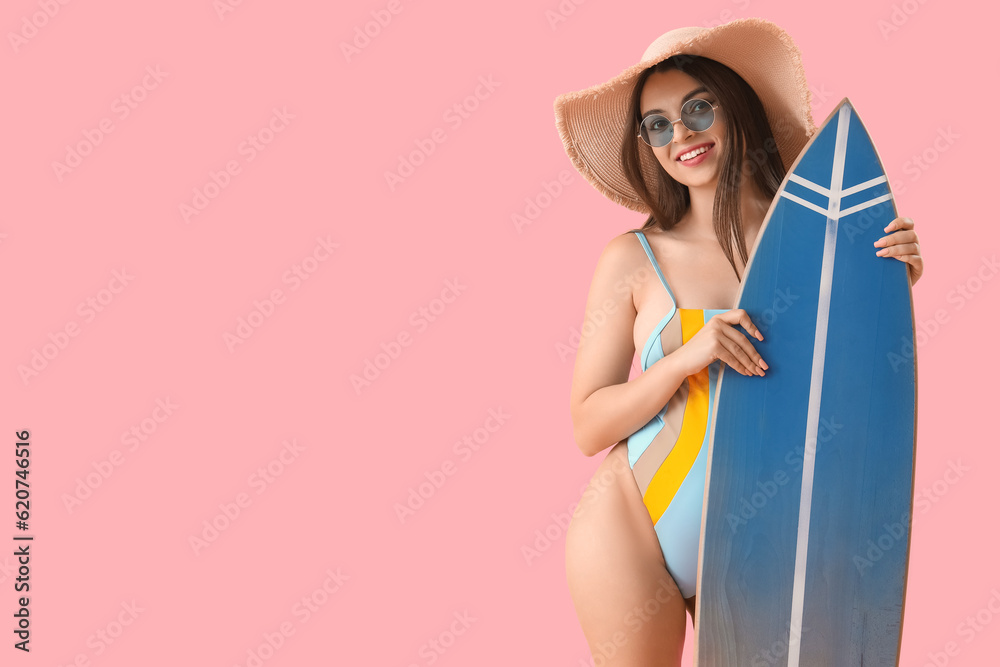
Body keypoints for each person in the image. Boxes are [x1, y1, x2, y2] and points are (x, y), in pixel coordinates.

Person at [552, 17, 923, 666]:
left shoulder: (821, 244)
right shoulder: (635, 259)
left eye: (699, 108)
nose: (681, 135)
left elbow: (852, 370)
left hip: (769, 530)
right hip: (633, 527)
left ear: (737, 109)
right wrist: (683, 362)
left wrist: (888, 278)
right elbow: (588, 426)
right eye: (658, 124)